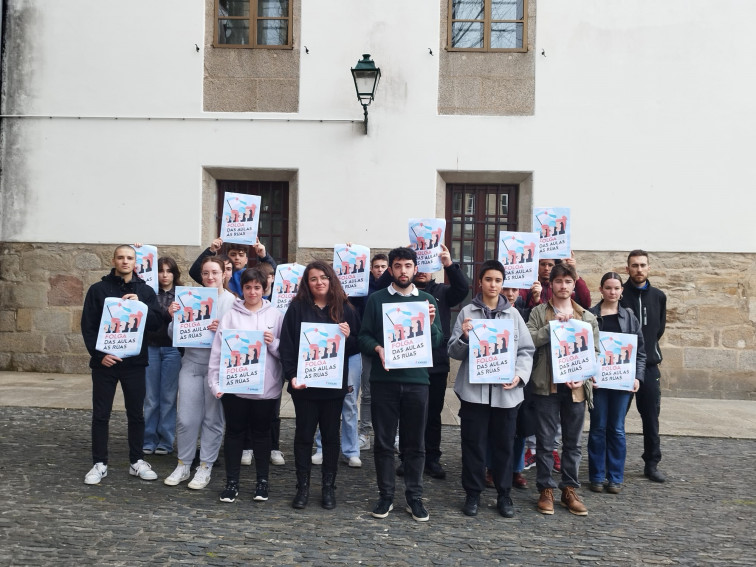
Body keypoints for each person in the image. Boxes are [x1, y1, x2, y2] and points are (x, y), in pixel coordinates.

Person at [358, 247, 443, 522]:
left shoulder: (427, 300)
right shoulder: (377, 300)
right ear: (391, 270)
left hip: (417, 381)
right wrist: (379, 348)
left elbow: (437, 341)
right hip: (384, 381)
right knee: (384, 443)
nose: (403, 271)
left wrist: (429, 323)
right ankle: (386, 496)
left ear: (415, 268)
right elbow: (364, 337)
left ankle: (414, 497)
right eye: (398, 266)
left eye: (408, 265)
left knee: (415, 443)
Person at [448, 261, 534, 517]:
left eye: (498, 280)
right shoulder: (467, 312)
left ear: (503, 284)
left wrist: (519, 376)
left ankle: (504, 494)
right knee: (473, 444)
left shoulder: (514, 315)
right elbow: (453, 351)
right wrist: (464, 337)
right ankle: (473, 493)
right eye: (488, 280)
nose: (493, 285)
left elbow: (526, 350)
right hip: (474, 392)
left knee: (504, 445)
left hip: (506, 395)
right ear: (481, 282)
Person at [279, 260, 361, 510]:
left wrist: (348, 337)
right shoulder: (296, 308)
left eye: (323, 277)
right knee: (303, 436)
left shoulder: (345, 308)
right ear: (307, 282)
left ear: (331, 279)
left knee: (330, 437)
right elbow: (287, 345)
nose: (319, 282)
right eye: (313, 278)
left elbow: (358, 345)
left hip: (333, 386)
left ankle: (328, 487)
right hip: (304, 386)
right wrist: (291, 375)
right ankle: (302, 487)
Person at [81, 245, 164, 485]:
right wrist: (99, 356)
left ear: (135, 262)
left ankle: (136, 461)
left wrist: (142, 306)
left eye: (129, 258)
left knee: (136, 414)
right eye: (121, 257)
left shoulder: (146, 291)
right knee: (101, 414)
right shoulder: (98, 290)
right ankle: (99, 463)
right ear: (114, 260)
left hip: (134, 362)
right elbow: (88, 326)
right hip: (105, 363)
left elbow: (157, 324)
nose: (125, 261)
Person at [526, 263, 599, 516]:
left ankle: (569, 488)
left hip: (575, 389)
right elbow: (530, 340)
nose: (563, 286)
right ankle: (546, 489)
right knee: (546, 443)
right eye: (559, 281)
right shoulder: (538, 312)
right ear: (552, 284)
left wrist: (584, 377)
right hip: (546, 387)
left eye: (568, 281)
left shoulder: (587, 317)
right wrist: (552, 327)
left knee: (573, 443)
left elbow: (596, 353)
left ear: (574, 284)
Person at [208, 268, 284, 503]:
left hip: (265, 389)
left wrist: (273, 343)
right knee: (234, 434)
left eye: (257, 287)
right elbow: (218, 351)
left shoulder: (276, 315)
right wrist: (215, 383)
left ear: (264, 289)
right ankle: (232, 483)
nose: (252, 291)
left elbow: (285, 352)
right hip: (236, 388)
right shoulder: (231, 315)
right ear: (243, 289)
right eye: (248, 287)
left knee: (262, 436)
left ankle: (262, 482)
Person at [396, 244, 469, 480]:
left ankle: (432, 458)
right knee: (408, 414)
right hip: (407, 363)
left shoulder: (443, 292)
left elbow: (463, 288)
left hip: (436, 363)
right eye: (418, 266)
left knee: (433, 414)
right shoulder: (402, 293)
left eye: (427, 266)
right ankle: (407, 458)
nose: (422, 272)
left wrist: (450, 264)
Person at [164, 257, 236, 489]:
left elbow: (240, 338)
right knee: (186, 418)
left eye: (214, 272)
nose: (210, 277)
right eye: (205, 273)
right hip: (191, 363)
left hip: (217, 367)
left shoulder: (232, 302)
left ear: (224, 273)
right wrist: (175, 317)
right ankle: (184, 463)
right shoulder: (190, 298)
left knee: (213, 419)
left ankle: (205, 465)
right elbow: (173, 334)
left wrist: (221, 330)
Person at [588, 272, 646, 494]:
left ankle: (615, 478)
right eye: (608, 288)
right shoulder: (590, 315)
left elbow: (640, 352)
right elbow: (584, 350)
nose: (612, 292)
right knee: (597, 428)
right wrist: (587, 375)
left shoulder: (630, 317)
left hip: (622, 383)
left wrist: (638, 377)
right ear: (601, 290)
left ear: (622, 291)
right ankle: (596, 476)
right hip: (598, 383)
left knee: (618, 430)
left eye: (616, 288)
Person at [620, 250, 667, 483]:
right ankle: (613, 461)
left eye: (642, 265)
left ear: (648, 268)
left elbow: (658, 330)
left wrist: (649, 351)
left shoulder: (659, 296)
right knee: (617, 417)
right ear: (627, 269)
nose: (639, 269)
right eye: (634, 265)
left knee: (651, 417)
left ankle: (651, 462)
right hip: (621, 367)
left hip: (649, 367)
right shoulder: (620, 295)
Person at [142, 256, 183, 456]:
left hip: (172, 349)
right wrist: (140, 251)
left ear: (175, 273)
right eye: (160, 270)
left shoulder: (183, 294)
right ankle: (148, 439)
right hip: (151, 346)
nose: (164, 275)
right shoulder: (148, 293)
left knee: (168, 397)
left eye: (169, 271)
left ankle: (166, 441)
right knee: (151, 397)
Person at [356, 253, 389, 451]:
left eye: (384, 266)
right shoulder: (363, 289)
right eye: (376, 266)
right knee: (367, 393)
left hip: (392, 347)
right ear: (370, 269)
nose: (380, 270)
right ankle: (365, 432)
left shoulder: (394, 287)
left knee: (393, 394)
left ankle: (393, 434)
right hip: (369, 346)